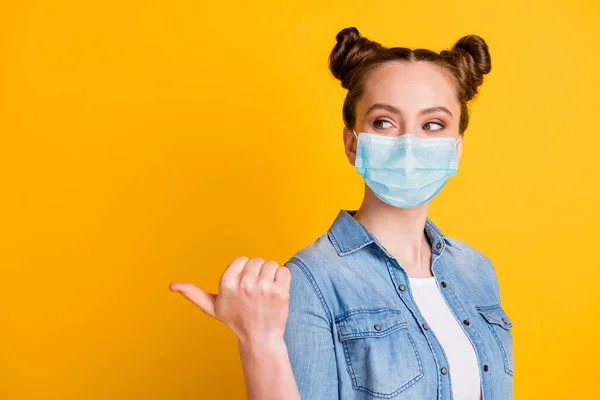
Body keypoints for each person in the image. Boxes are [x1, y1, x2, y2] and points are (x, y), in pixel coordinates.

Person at [170, 27, 514, 400]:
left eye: (433, 125)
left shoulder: (477, 271)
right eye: (384, 122)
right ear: (353, 144)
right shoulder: (312, 280)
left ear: (457, 148)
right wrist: (260, 342)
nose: (409, 144)